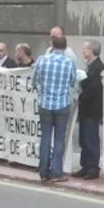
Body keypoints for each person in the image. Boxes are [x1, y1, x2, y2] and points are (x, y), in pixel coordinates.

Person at [33, 36, 77, 182]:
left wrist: (42, 92)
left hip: (45, 103)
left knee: (45, 137)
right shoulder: (69, 62)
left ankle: (43, 172)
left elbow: (35, 80)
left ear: (51, 45)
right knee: (59, 138)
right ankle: (56, 172)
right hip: (62, 104)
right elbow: (72, 81)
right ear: (65, 47)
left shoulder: (41, 60)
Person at [72, 40, 104, 181]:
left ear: (92, 50)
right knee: (83, 138)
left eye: (85, 48)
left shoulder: (98, 67)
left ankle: (93, 167)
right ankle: (85, 165)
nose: (83, 51)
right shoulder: (89, 66)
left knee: (91, 138)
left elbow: (94, 89)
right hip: (85, 108)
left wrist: (80, 96)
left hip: (92, 109)